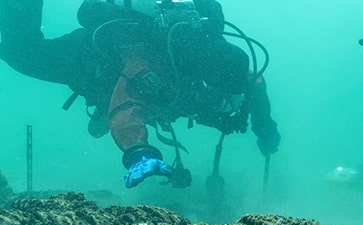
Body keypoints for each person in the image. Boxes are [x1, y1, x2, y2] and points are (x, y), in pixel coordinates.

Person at [0, 0, 279, 189]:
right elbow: (127, 107)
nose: (221, 101)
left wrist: (264, 128)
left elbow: (255, 83)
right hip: (88, 61)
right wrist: (139, 152)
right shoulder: (150, 65)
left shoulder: (220, 59)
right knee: (23, 54)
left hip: (159, 78)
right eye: (217, 94)